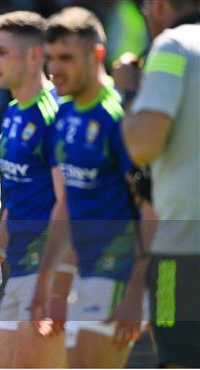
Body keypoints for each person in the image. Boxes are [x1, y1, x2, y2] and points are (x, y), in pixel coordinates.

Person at [30, 7, 147, 368]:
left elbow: (150, 207)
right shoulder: (64, 113)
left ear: (96, 54)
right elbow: (68, 204)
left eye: (66, 57)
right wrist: (49, 279)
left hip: (120, 269)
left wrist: (135, 292)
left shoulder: (118, 116)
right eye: (50, 58)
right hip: (85, 269)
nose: (55, 69)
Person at [0, 11, 71, 368]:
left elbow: (70, 204)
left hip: (49, 271)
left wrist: (59, 287)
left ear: (34, 56)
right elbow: (20, 201)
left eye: (1, 51)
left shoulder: (55, 113)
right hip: (21, 272)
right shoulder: (12, 114)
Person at [120, 0, 200, 367]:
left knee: (177, 360)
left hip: (181, 255)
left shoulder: (173, 46)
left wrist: (131, 92)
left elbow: (142, 146)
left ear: (160, 4)